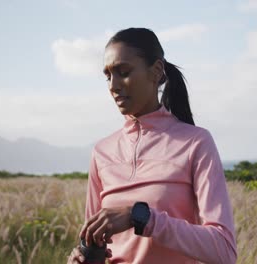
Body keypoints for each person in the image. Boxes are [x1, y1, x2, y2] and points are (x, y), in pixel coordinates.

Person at [67, 27, 237, 264]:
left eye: (123, 72)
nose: (113, 85)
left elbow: (224, 249)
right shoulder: (101, 152)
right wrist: (82, 257)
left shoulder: (195, 143)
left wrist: (141, 217)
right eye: (108, 76)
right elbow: (93, 241)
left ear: (156, 71)